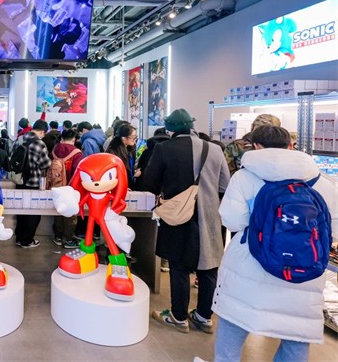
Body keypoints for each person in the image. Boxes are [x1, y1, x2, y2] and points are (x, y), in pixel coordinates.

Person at [211, 126, 337, 362]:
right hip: (304, 271)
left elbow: (232, 220)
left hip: (251, 264)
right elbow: (333, 229)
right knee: (296, 335)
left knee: (234, 326)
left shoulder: (244, 177)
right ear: (290, 145)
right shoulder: (322, 181)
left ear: (256, 146)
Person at [144, 109, 229, 334]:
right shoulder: (215, 149)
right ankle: (204, 317)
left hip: (179, 214)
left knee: (179, 264)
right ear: (191, 126)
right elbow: (224, 186)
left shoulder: (164, 148)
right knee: (209, 267)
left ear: (170, 128)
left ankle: (178, 317)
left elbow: (150, 183)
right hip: (211, 216)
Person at [14, 119, 51, 248]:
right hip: (33, 181)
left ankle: (19, 238)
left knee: (21, 210)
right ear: (42, 131)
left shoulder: (19, 139)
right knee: (33, 212)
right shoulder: (40, 144)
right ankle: (27, 241)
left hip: (19, 180)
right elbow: (45, 164)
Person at [50, 129, 83, 249]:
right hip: (70, 187)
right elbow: (78, 171)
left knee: (59, 210)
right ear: (74, 139)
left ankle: (57, 237)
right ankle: (69, 239)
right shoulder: (77, 153)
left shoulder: (54, 150)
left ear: (62, 138)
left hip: (56, 186)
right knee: (71, 213)